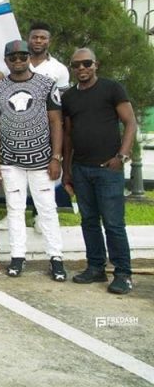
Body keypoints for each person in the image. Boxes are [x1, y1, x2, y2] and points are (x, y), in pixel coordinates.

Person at [0, 40, 66, 281]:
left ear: (29, 57)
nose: (18, 61)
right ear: (6, 60)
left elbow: (56, 122)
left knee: (47, 209)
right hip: (10, 160)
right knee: (15, 209)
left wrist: (56, 157)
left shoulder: (46, 84)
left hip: (42, 159)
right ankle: (17, 256)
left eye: (23, 56)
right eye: (13, 57)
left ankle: (56, 258)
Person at [62, 48, 137, 294]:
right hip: (81, 169)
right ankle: (95, 267)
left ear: (96, 64)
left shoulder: (112, 88)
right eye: (76, 65)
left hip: (108, 169)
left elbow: (130, 122)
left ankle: (123, 274)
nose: (81, 68)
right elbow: (68, 135)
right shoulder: (69, 97)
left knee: (113, 223)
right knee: (89, 221)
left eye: (86, 63)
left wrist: (122, 156)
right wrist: (67, 170)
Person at [27, 22, 70, 92]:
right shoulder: (16, 63)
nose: (38, 41)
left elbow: (62, 97)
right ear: (28, 40)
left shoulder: (60, 69)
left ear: (50, 42)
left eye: (43, 38)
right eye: (34, 37)